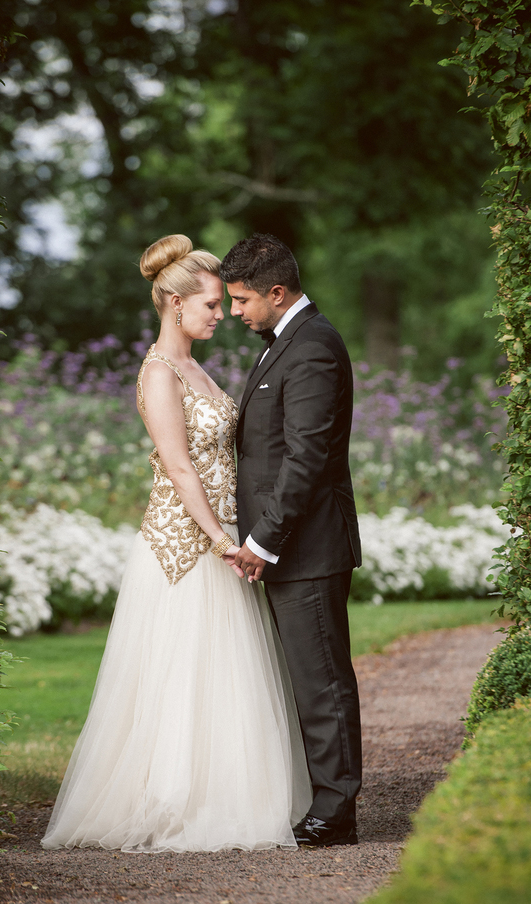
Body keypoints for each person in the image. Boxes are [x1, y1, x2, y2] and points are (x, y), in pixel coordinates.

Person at [41, 234, 311, 854]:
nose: (223, 314)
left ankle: (232, 795)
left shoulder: (196, 367)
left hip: (223, 540)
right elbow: (180, 466)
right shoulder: (159, 372)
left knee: (228, 675)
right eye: (212, 304)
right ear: (173, 302)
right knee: (182, 676)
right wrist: (221, 540)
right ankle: (174, 801)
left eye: (224, 304)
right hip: (184, 547)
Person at [220, 233, 362, 847]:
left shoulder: (313, 349)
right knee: (306, 680)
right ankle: (319, 797)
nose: (234, 312)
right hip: (291, 547)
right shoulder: (283, 343)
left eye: (242, 299)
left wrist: (263, 540)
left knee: (322, 681)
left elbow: (304, 459)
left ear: (277, 293)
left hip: (307, 549)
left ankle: (336, 813)